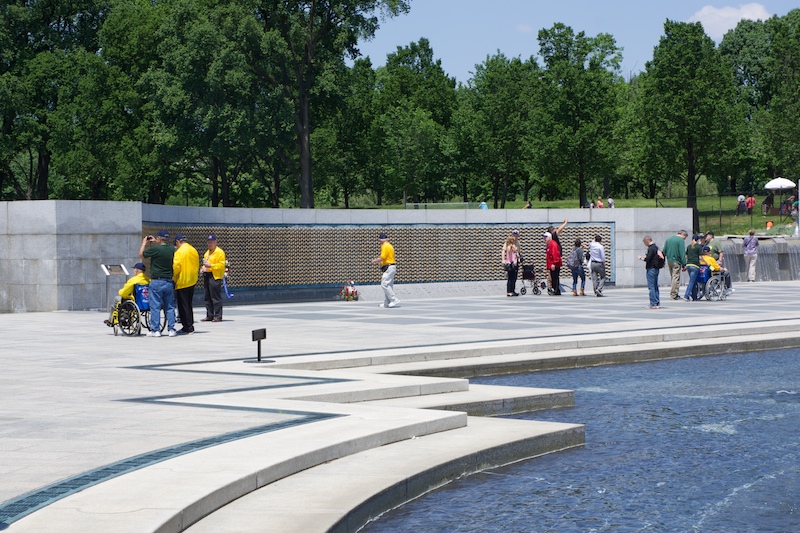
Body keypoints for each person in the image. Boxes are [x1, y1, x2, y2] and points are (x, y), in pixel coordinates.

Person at [139, 230, 177, 337]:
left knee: (155, 306)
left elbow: (141, 254)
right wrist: (157, 242)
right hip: (168, 281)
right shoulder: (171, 249)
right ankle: (171, 329)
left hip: (156, 281)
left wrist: (144, 243)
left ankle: (156, 330)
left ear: (159, 238)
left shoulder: (155, 249)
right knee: (169, 306)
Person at [104, 263, 150, 327]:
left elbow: (123, 293)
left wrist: (120, 291)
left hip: (134, 301)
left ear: (136, 270)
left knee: (116, 299)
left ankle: (111, 320)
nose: (133, 271)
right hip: (145, 302)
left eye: (134, 269)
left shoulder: (133, 280)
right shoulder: (148, 280)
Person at [172, 234, 199, 334]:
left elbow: (176, 267)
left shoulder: (179, 251)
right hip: (192, 280)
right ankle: (190, 324)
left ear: (178, 242)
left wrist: (173, 277)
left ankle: (187, 327)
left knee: (183, 305)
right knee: (188, 304)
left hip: (182, 281)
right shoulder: (193, 250)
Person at [201, 234, 226, 322]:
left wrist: (211, 265)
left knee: (215, 297)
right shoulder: (207, 252)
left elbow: (221, 265)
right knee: (207, 296)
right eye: (208, 242)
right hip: (207, 275)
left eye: (211, 242)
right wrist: (203, 269)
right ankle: (209, 315)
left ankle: (218, 315)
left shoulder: (219, 252)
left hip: (215, 276)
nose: (210, 244)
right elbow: (205, 264)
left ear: (216, 242)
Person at [371, 232, 400, 308]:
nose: (379, 241)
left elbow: (382, 257)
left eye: (379, 239)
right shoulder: (389, 245)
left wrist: (374, 261)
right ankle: (386, 303)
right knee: (388, 285)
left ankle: (394, 299)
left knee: (384, 284)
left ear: (381, 239)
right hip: (391, 267)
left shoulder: (385, 246)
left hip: (389, 267)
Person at [663, 230, 688, 300]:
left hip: (669, 260)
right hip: (676, 261)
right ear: (683, 235)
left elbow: (664, 251)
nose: (684, 239)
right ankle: (674, 294)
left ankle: (673, 293)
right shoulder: (680, 240)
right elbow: (682, 252)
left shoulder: (668, 239)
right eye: (685, 237)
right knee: (676, 277)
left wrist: (663, 261)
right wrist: (684, 264)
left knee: (673, 277)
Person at [638, 236, 662, 309]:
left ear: (647, 241)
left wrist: (641, 258)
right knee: (655, 286)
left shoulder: (651, 248)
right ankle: (657, 302)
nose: (645, 245)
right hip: (656, 268)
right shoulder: (656, 247)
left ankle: (653, 303)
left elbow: (648, 259)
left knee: (651, 286)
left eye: (645, 243)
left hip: (651, 268)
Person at [683, 235, 704, 301]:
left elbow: (686, 256)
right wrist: (706, 262)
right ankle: (686, 295)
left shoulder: (689, 246)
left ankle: (694, 296)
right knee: (691, 282)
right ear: (698, 240)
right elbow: (700, 257)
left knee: (694, 281)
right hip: (695, 266)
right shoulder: (698, 247)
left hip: (689, 265)